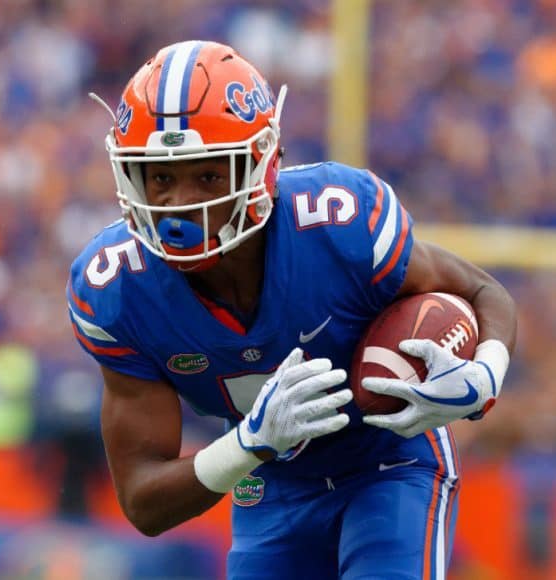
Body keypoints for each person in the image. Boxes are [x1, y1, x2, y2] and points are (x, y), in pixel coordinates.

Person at [67, 40, 517, 579]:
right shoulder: (118, 288)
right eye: (161, 178)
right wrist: (248, 444)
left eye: (208, 175)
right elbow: (143, 501)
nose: (180, 202)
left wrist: (483, 376)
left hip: (390, 461)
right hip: (271, 482)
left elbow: (484, 291)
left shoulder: (337, 224)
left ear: (262, 165)